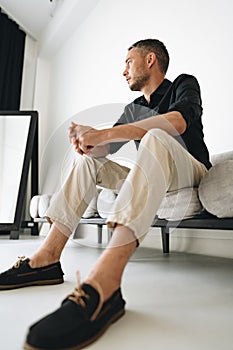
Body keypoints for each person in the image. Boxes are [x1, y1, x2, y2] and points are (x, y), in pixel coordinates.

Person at [0, 39, 211, 350]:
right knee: (88, 162)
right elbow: (105, 149)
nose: (123, 70)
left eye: (128, 61)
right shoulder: (132, 109)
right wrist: (88, 141)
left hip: (190, 171)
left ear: (150, 60)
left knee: (156, 134)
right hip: (155, 173)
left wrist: (107, 133)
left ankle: (106, 284)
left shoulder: (183, 83)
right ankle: (46, 259)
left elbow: (178, 122)